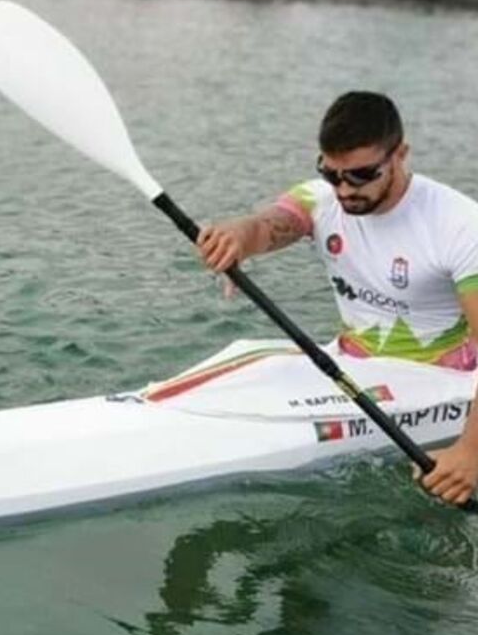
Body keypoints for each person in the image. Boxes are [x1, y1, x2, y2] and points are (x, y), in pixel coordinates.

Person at [196, 91, 478, 506]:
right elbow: (267, 226)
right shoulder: (320, 199)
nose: (344, 190)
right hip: (350, 363)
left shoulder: (459, 224)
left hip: (440, 380)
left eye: (361, 175)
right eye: (332, 174)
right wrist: (238, 236)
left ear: (400, 155)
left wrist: (469, 454)